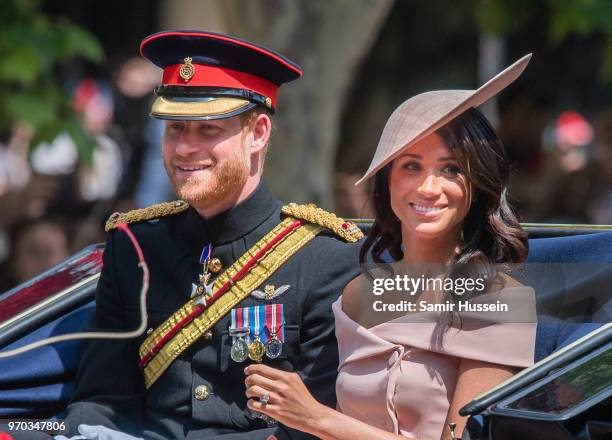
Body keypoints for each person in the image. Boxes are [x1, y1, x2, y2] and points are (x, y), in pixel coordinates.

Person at [63, 30, 363, 439]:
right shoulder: (134, 246)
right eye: (175, 129)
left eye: (207, 130)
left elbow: (317, 426)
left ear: (257, 133)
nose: (185, 148)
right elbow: (102, 402)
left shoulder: (326, 258)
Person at [243, 55, 537, 439]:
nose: (428, 187)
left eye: (451, 169)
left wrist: (316, 418)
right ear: (389, 183)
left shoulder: (496, 300)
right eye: (411, 166)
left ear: (477, 185)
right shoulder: (358, 294)